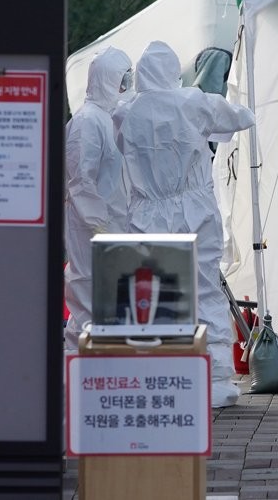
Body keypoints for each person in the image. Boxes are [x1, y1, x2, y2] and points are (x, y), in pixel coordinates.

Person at [119, 40, 255, 408]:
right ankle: (216, 379)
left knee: (152, 295)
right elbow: (241, 118)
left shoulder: (127, 111)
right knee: (204, 290)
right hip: (194, 209)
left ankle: (160, 375)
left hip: (146, 212)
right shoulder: (192, 102)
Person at [64, 47, 132, 351]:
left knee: (106, 300)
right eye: (121, 79)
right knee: (87, 298)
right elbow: (80, 179)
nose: (125, 87)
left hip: (109, 225)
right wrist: (99, 223)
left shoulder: (109, 118)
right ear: (106, 79)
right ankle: (76, 365)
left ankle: (99, 364)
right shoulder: (87, 121)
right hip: (90, 226)